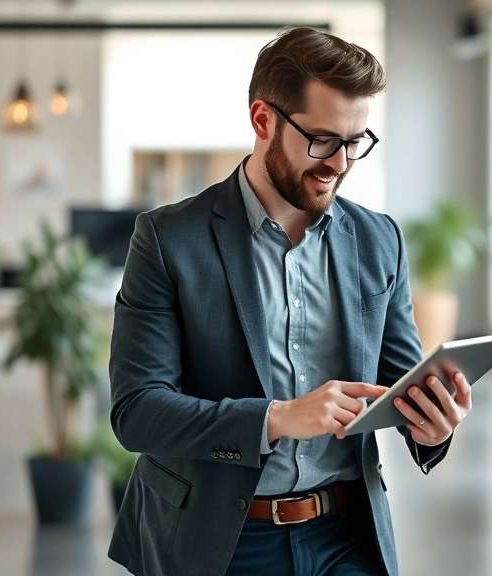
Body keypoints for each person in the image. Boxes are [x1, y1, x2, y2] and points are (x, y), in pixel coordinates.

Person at [107, 27, 471, 576]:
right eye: (322, 140)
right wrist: (276, 418)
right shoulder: (168, 239)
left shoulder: (379, 241)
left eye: (355, 142)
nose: (340, 163)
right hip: (222, 539)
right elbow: (138, 413)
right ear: (263, 121)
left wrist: (432, 427)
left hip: (347, 533)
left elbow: (400, 381)